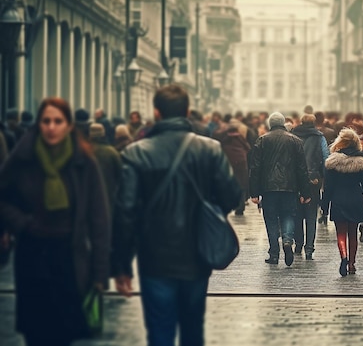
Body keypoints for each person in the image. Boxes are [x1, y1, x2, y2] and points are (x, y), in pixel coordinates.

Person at [112, 85, 241, 346]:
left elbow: (125, 212)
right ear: (187, 111)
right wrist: (207, 209)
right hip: (196, 253)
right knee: (193, 329)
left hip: (154, 256)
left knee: (160, 331)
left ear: (156, 113)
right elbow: (231, 196)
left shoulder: (136, 153)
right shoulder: (210, 149)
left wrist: (122, 266)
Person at [0, 98, 110, 346]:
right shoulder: (24, 157)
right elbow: (3, 196)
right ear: (38, 124)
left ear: (69, 126)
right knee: (36, 334)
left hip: (69, 258)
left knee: (64, 334)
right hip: (32, 257)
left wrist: (100, 273)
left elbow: (99, 219)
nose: (51, 127)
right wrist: (21, 222)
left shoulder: (83, 162)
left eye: (58, 121)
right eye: (46, 121)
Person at [249, 112, 311, 266]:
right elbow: (302, 168)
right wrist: (305, 191)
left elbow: (255, 168)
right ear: (283, 123)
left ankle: (274, 253)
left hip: (268, 188)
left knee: (270, 219)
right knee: (288, 216)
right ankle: (288, 241)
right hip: (290, 187)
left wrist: (254, 192)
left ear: (270, 124)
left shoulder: (262, 140)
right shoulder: (295, 141)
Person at [322, 128, 363, 276]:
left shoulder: (333, 161)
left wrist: (324, 206)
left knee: (341, 232)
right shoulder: (361, 161)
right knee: (353, 233)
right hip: (356, 199)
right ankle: (351, 264)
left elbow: (328, 187)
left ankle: (343, 257)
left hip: (338, 200)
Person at [292, 114, 328, 259]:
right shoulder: (319, 137)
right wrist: (324, 177)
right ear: (314, 123)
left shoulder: (292, 135)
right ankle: (309, 248)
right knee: (311, 214)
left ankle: (298, 243)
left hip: (295, 179)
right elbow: (326, 157)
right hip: (313, 178)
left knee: (297, 213)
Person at [216, 124, 251, 216]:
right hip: (241, 164)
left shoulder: (225, 139)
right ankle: (240, 207)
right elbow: (248, 148)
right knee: (242, 185)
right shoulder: (240, 138)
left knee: (229, 184)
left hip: (229, 164)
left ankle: (230, 204)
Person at [89, 123, 123, 214]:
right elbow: (120, 174)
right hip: (108, 194)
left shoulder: (85, 151)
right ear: (103, 134)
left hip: (88, 195)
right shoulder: (112, 152)